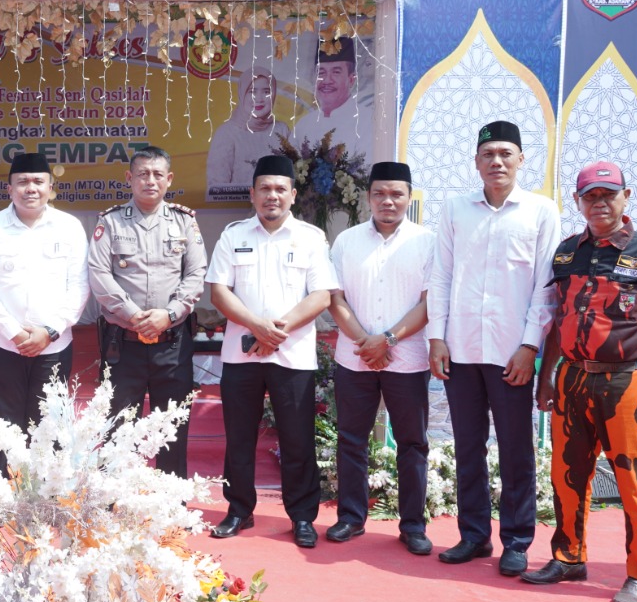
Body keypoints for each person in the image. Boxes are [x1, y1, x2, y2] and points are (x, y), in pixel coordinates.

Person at [524, 161, 637, 602]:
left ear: (626, 197)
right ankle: (568, 558)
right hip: (573, 377)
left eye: (607, 195)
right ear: (578, 201)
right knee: (567, 474)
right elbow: (558, 322)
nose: (599, 203)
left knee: (635, 481)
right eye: (590, 196)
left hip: (630, 381)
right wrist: (546, 378)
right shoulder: (566, 253)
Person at [427, 120, 559, 577]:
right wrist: (437, 337)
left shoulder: (541, 211)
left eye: (505, 154)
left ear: (521, 159)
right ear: (476, 161)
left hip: (511, 354)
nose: (497, 162)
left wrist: (529, 346)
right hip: (461, 348)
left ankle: (517, 540)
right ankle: (474, 535)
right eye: (488, 154)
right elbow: (441, 275)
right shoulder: (456, 209)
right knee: (467, 447)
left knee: (516, 449)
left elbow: (545, 286)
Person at [206, 153, 339, 548]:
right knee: (239, 437)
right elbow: (219, 292)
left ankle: (302, 517)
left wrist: (277, 331)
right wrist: (256, 326)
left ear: (293, 195)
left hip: (291, 354)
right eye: (264, 188)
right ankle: (239, 509)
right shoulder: (234, 236)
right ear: (252, 193)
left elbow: (321, 295)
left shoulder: (311, 238)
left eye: (281, 189)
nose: (272, 195)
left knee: (298, 438)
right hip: (241, 354)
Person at [326, 161, 436, 553]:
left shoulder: (427, 242)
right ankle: (351, 518)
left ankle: (413, 526)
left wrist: (387, 340)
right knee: (351, 440)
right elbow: (334, 298)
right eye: (379, 194)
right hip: (354, 357)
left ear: (409, 197)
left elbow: (429, 302)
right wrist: (365, 342)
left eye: (396, 194)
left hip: (407, 360)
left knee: (412, 443)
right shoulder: (346, 241)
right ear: (368, 197)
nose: (388, 201)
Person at [88, 146, 207, 478]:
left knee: (171, 428)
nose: (150, 180)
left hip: (172, 343)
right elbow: (98, 274)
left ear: (169, 179)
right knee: (118, 428)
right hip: (122, 343)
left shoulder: (184, 222)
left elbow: (196, 273)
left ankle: (170, 498)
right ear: (129, 178)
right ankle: (113, 499)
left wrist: (168, 315)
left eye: (157, 174)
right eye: (142, 174)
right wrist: (133, 315)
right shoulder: (110, 222)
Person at [0, 153, 89, 441]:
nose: (30, 188)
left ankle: (46, 475)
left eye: (38, 181)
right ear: (9, 189)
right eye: (22, 182)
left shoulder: (69, 226)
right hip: (2, 344)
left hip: (54, 345)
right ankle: (4, 474)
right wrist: (13, 332)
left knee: (49, 430)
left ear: (50, 188)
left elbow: (80, 285)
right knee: (2, 429)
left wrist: (50, 331)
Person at [289, 37, 371, 162]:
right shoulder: (303, 125)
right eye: (321, 73)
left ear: (351, 79)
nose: (327, 80)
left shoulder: (367, 121)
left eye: (336, 72)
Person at [204, 71, 287, 192]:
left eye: (266, 92)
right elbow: (216, 189)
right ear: (242, 94)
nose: (259, 99)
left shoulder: (282, 129)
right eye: (252, 92)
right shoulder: (226, 133)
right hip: (238, 203)